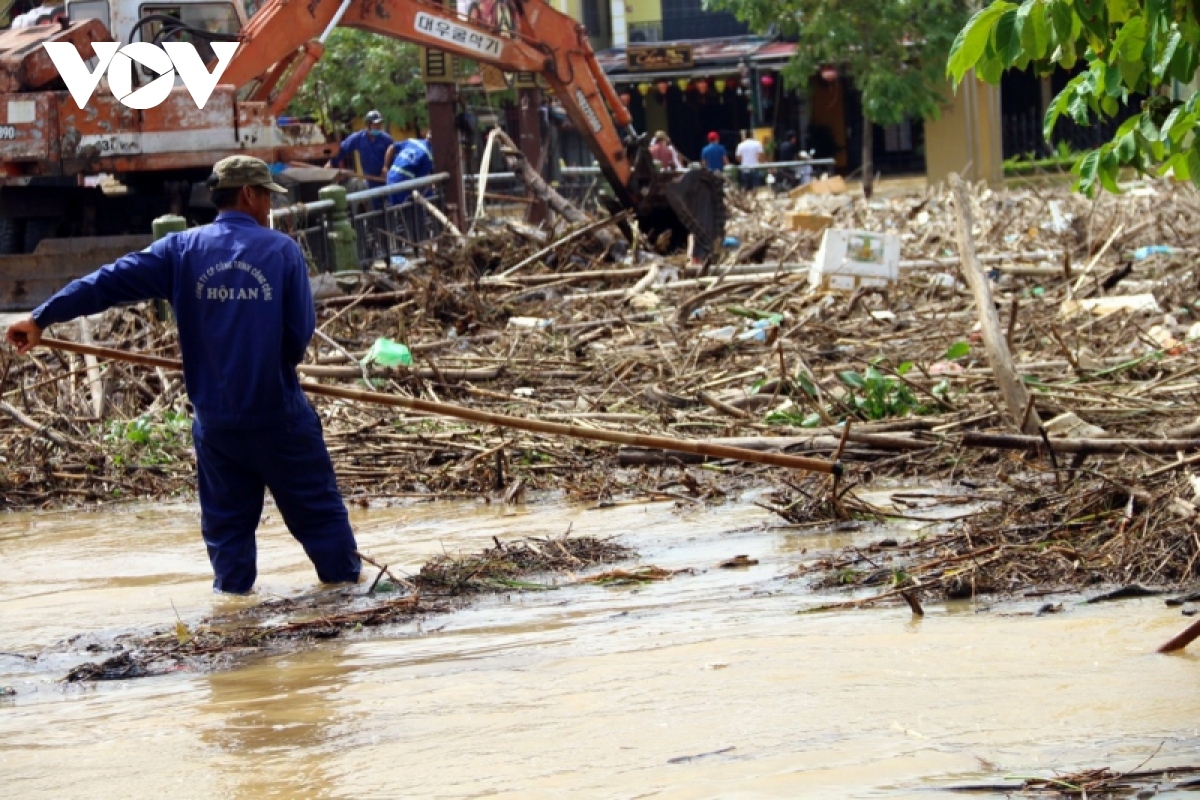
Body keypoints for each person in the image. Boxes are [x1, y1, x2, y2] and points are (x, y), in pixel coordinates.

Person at [4, 156, 362, 596]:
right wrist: (267, 363)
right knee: (323, 523)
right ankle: (350, 617)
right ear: (248, 194)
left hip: (217, 425)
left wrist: (42, 318)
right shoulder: (281, 250)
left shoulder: (180, 251)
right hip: (278, 415)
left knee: (228, 543)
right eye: (267, 194)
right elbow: (297, 335)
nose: (270, 204)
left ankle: (233, 634)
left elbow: (106, 283)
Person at [326, 109, 393, 182]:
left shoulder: (386, 139)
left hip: (385, 180)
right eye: (376, 124)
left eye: (380, 124)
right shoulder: (358, 138)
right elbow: (342, 150)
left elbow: (395, 156)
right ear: (368, 124)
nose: (379, 127)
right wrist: (331, 163)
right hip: (369, 179)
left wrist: (388, 170)